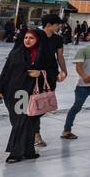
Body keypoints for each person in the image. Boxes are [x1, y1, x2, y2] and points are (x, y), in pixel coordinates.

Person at [0, 29, 45, 162]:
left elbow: (53, 71)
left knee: (23, 122)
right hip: (13, 92)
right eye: (26, 37)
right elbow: (6, 72)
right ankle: (27, 151)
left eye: (31, 38)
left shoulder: (43, 55)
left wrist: (41, 73)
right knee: (20, 122)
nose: (27, 40)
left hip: (31, 93)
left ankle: (16, 153)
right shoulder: (16, 53)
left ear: (38, 40)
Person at [32, 14, 68, 149]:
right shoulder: (35, 34)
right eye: (57, 24)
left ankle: (32, 129)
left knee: (45, 102)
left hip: (50, 74)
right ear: (48, 25)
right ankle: (35, 133)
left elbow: (60, 56)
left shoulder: (58, 39)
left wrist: (64, 70)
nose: (59, 27)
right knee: (35, 102)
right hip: (35, 73)